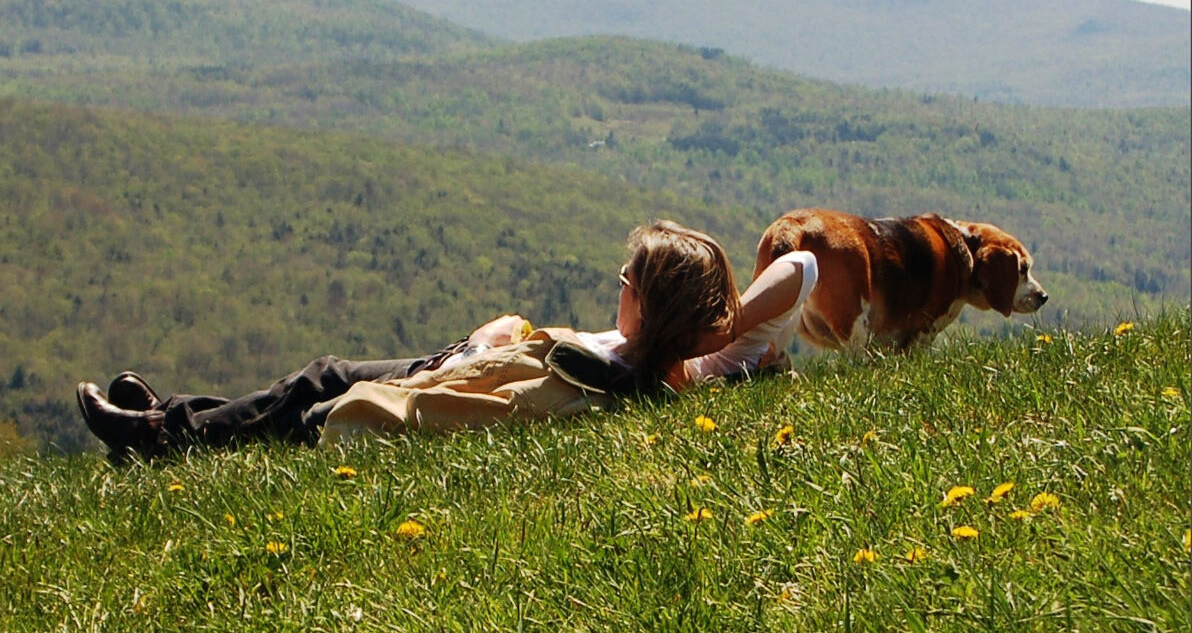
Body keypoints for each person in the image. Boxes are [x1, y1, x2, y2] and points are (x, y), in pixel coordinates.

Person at [76, 221, 815, 459]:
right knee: (320, 372)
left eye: (628, 279)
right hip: (480, 349)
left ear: (646, 308)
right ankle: (172, 417)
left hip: (456, 368)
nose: (616, 283)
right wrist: (722, 326)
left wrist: (476, 349)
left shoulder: (603, 373)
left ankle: (160, 434)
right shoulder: (687, 361)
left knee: (322, 383)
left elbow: (476, 401)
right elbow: (802, 266)